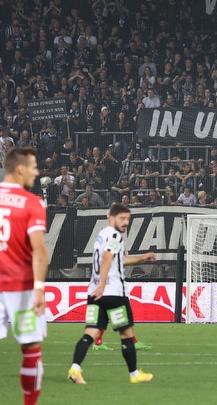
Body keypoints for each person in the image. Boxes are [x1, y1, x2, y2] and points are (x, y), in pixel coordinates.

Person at [68, 203, 155, 385]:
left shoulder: (102, 235)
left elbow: (118, 259)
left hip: (94, 294)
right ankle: (134, 375)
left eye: (127, 219)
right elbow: (108, 258)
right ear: (111, 218)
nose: (126, 222)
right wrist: (102, 284)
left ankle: (75, 369)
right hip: (113, 294)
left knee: (90, 333)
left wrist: (142, 257)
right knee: (126, 334)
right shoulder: (115, 235)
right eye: (122, 218)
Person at [0, 147, 47, 405]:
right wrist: (39, 287)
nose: (36, 172)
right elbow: (39, 248)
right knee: (30, 348)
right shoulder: (32, 202)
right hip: (21, 287)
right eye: (33, 167)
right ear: (20, 169)